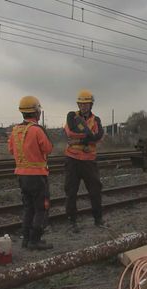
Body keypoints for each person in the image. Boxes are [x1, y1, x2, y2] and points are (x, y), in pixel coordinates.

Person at [8, 96, 53, 250]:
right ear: (36, 111)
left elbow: (11, 150)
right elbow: (48, 149)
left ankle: (26, 239)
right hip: (37, 176)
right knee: (41, 208)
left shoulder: (15, 130)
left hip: (21, 175)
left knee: (28, 208)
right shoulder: (37, 130)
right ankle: (35, 240)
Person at [64, 89, 105, 233]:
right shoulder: (72, 117)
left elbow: (99, 137)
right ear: (78, 104)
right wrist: (89, 136)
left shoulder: (96, 120)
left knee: (95, 190)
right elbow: (70, 132)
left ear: (91, 104)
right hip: (73, 159)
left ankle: (98, 219)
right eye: (81, 103)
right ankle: (72, 222)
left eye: (86, 103)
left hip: (89, 161)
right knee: (71, 192)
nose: (83, 106)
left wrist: (80, 138)